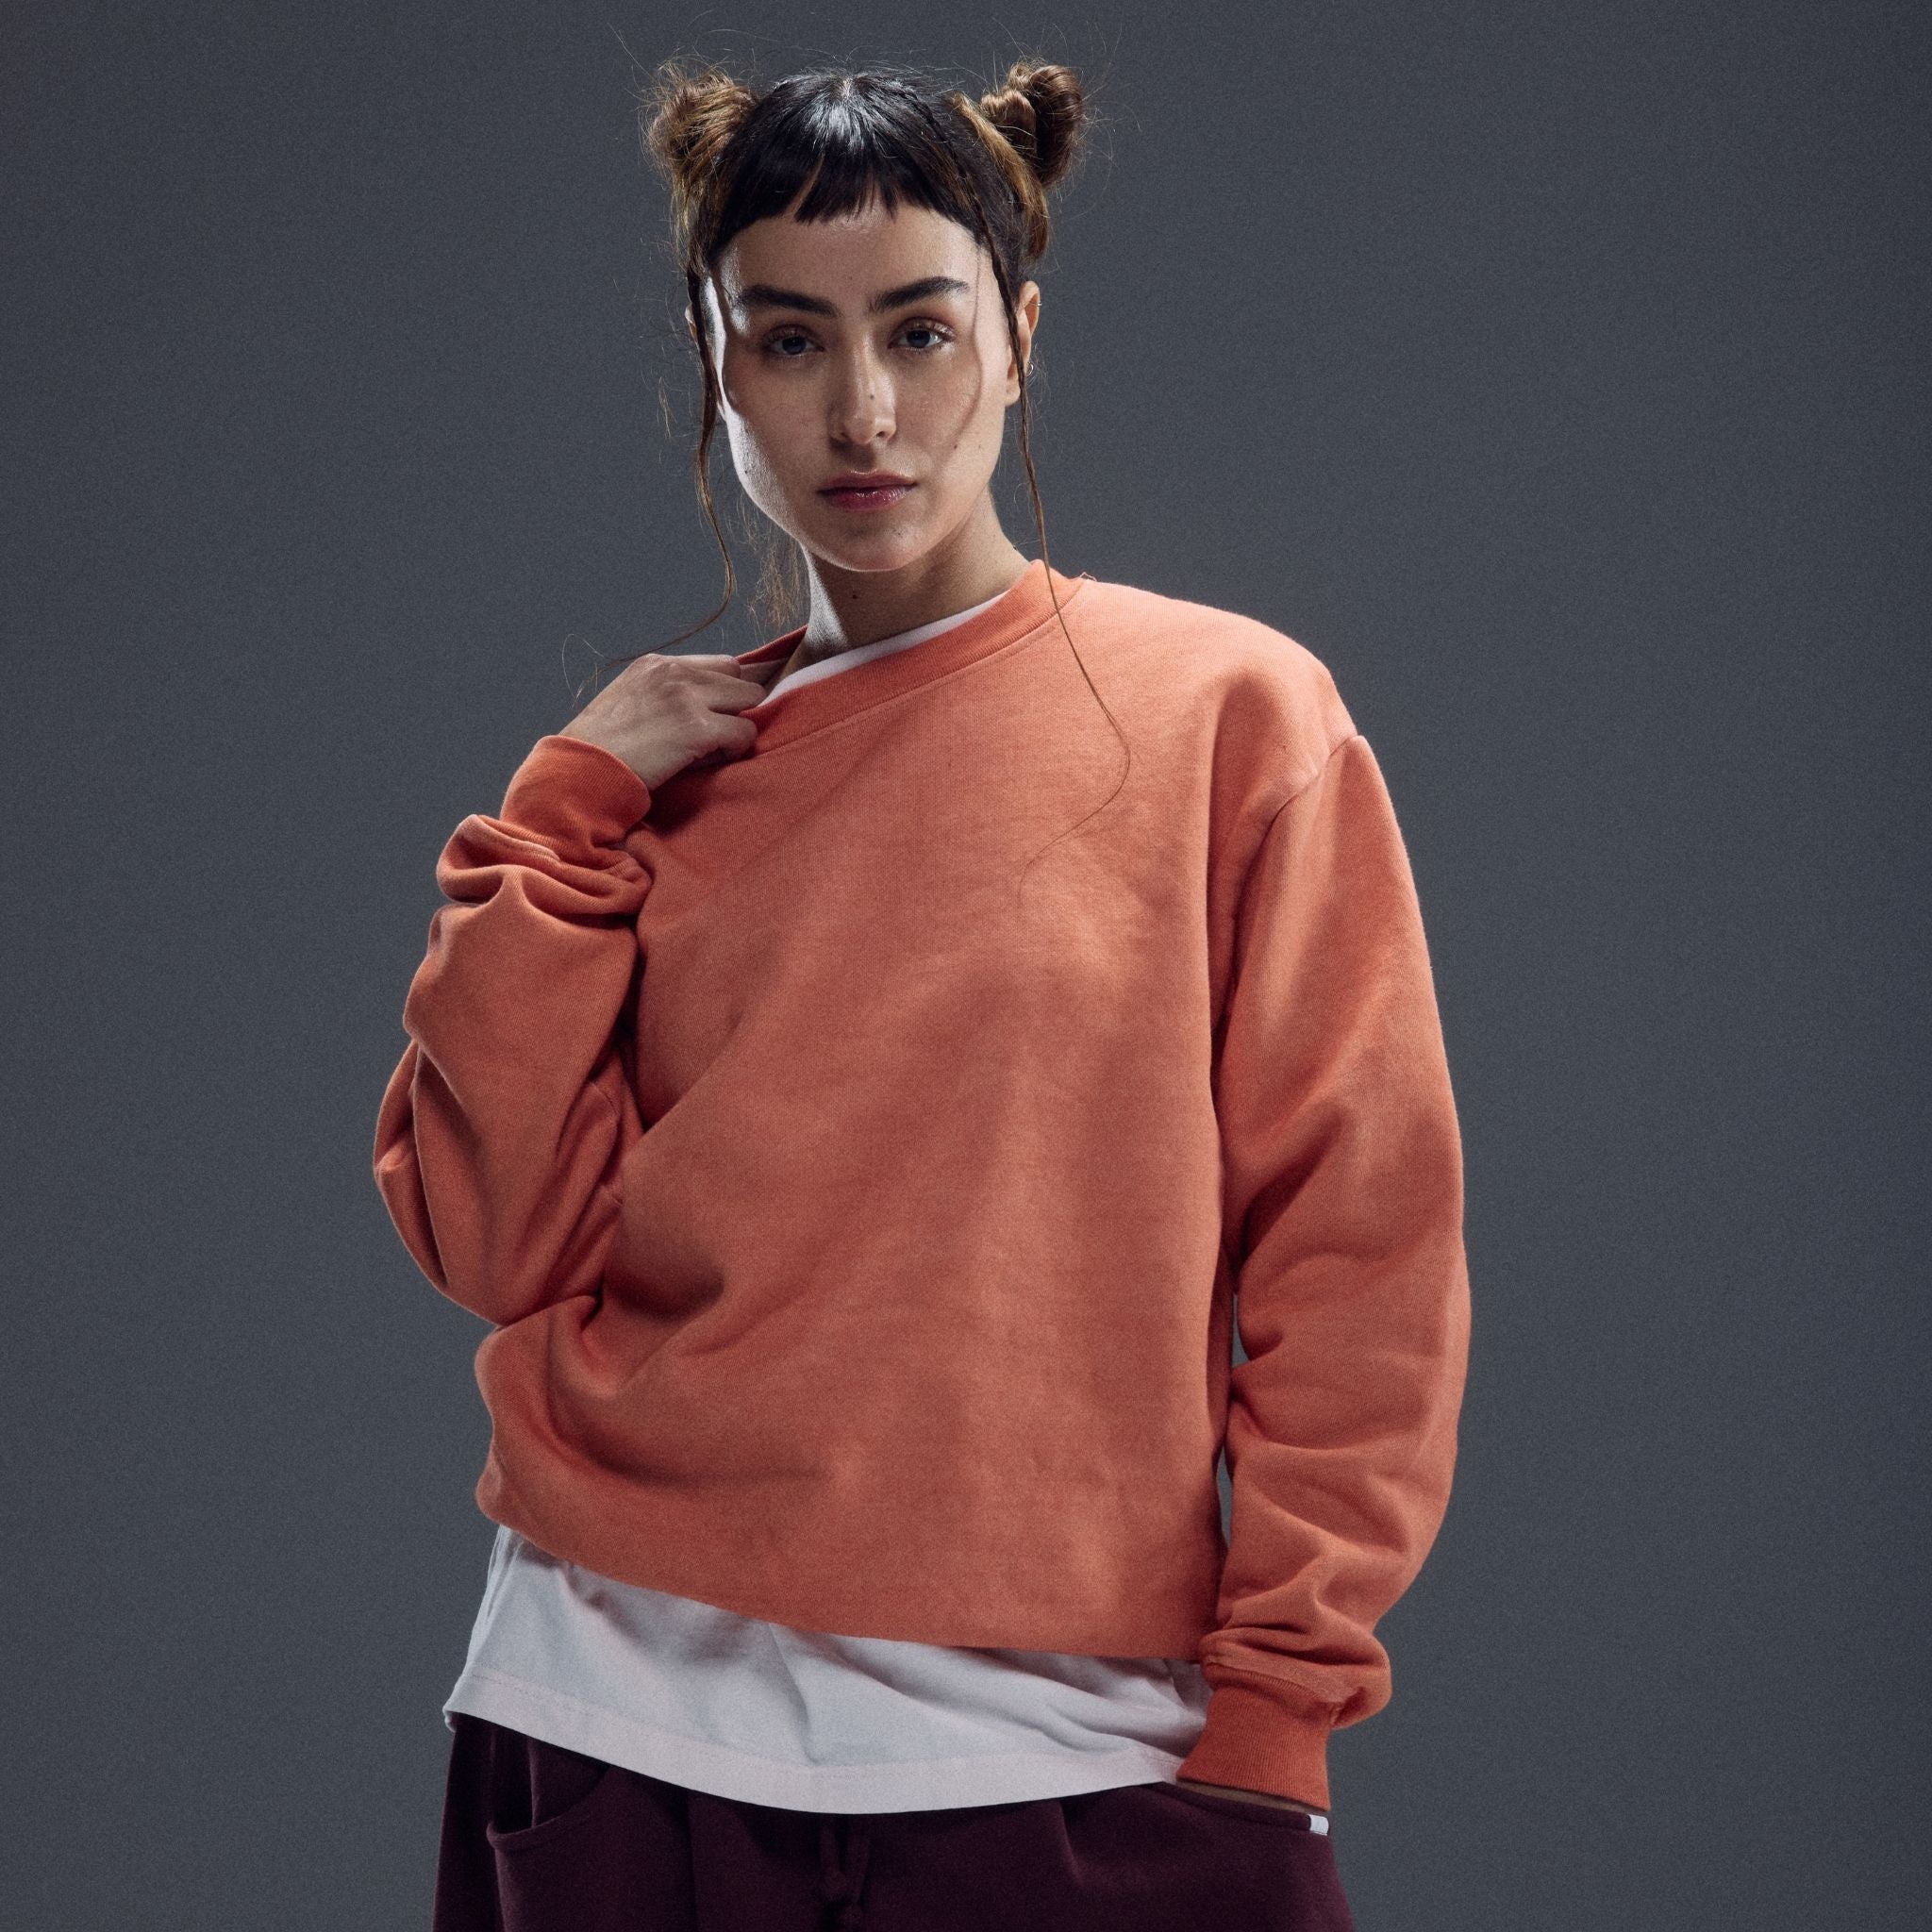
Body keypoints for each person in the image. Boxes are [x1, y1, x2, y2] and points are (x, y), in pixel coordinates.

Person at [372, 53, 1471, 1932]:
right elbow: (493, 1240)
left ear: (1019, 339)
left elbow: (1355, 1248)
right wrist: (559, 818)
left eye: (921, 331)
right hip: (608, 1712)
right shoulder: (656, 784)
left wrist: (1281, 1696)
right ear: (717, 362)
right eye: (790, 340)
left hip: (1070, 1745)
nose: (862, 410)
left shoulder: (1228, 718)